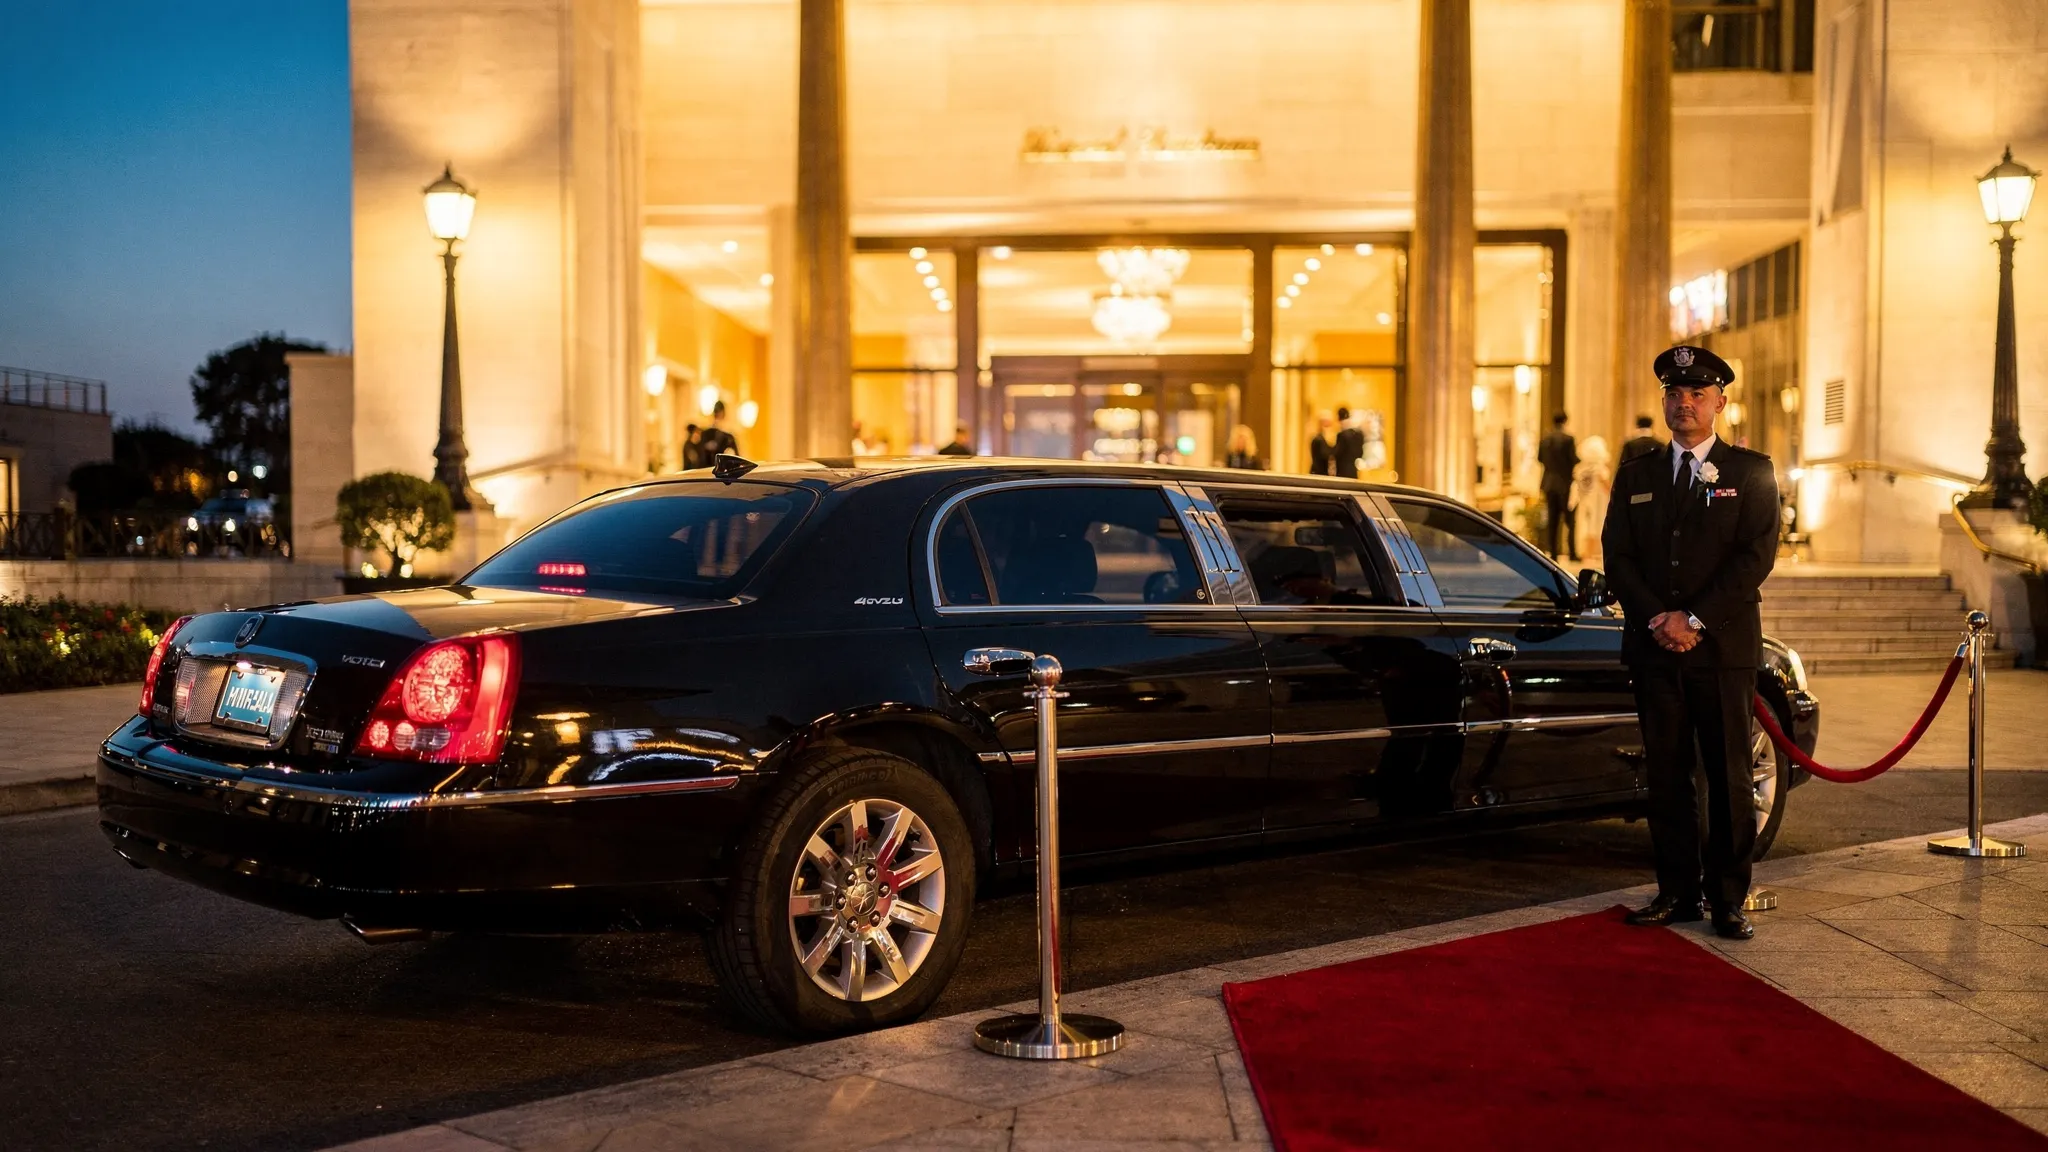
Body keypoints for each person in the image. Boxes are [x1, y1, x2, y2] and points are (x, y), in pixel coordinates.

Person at [1601, 344, 1779, 941]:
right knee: (1668, 775)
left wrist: (1694, 619)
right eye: (1674, 394)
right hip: (1655, 647)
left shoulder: (1751, 472)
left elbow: (1755, 558)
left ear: (1720, 403)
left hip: (1722, 648)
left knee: (1728, 774)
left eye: (1697, 394)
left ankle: (1728, 897)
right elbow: (1618, 557)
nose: (1684, 403)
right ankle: (1676, 891)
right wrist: (1658, 619)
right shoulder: (1637, 475)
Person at [1537, 412, 1580, 561]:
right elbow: (1573, 459)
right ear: (1565, 421)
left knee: (1552, 519)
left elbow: (1540, 458)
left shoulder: (1545, 439)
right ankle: (1572, 553)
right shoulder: (1568, 439)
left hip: (1549, 483)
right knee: (1570, 520)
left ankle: (1553, 552)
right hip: (1564, 483)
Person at [1572, 434, 1613, 561]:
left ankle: (1585, 552)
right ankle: (1593, 552)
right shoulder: (1601, 469)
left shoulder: (1580, 469)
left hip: (1584, 499)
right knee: (1597, 525)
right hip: (1598, 501)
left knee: (1584, 525)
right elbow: (1607, 486)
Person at [1333, 407, 1364, 479]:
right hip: (1353, 470)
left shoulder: (1342, 435)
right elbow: (1360, 453)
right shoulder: (1358, 434)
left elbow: (1337, 453)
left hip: (1342, 471)